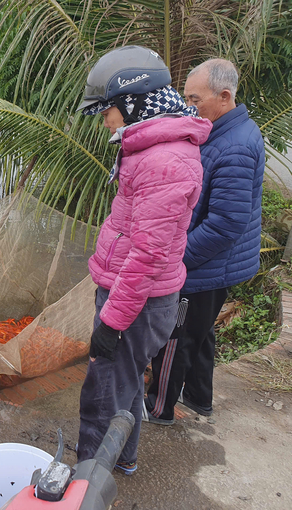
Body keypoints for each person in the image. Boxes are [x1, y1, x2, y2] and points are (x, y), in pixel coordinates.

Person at [75, 45, 213, 474]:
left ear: (132, 103)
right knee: (125, 385)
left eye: (107, 111)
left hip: (135, 301)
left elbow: (148, 254)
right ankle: (123, 460)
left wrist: (112, 323)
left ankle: (91, 477)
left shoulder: (163, 161)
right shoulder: (152, 149)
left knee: (104, 394)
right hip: (135, 296)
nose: (105, 121)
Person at [145, 59, 265, 424]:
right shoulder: (220, 132)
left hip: (205, 265)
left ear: (224, 96)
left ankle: (159, 409)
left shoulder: (236, 147)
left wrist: (177, 259)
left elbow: (226, 224)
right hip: (214, 265)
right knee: (200, 333)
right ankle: (200, 398)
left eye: (194, 99)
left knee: (174, 337)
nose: (187, 105)